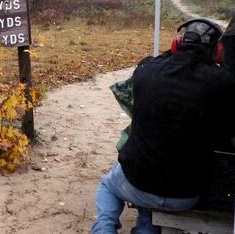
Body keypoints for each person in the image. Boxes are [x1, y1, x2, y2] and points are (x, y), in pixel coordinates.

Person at [92, 18, 235, 234]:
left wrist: (174, 53)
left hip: (139, 183)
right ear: (218, 51)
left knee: (108, 186)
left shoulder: (146, 72)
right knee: (153, 189)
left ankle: (103, 229)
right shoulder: (224, 83)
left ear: (176, 43)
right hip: (187, 194)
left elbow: (154, 65)